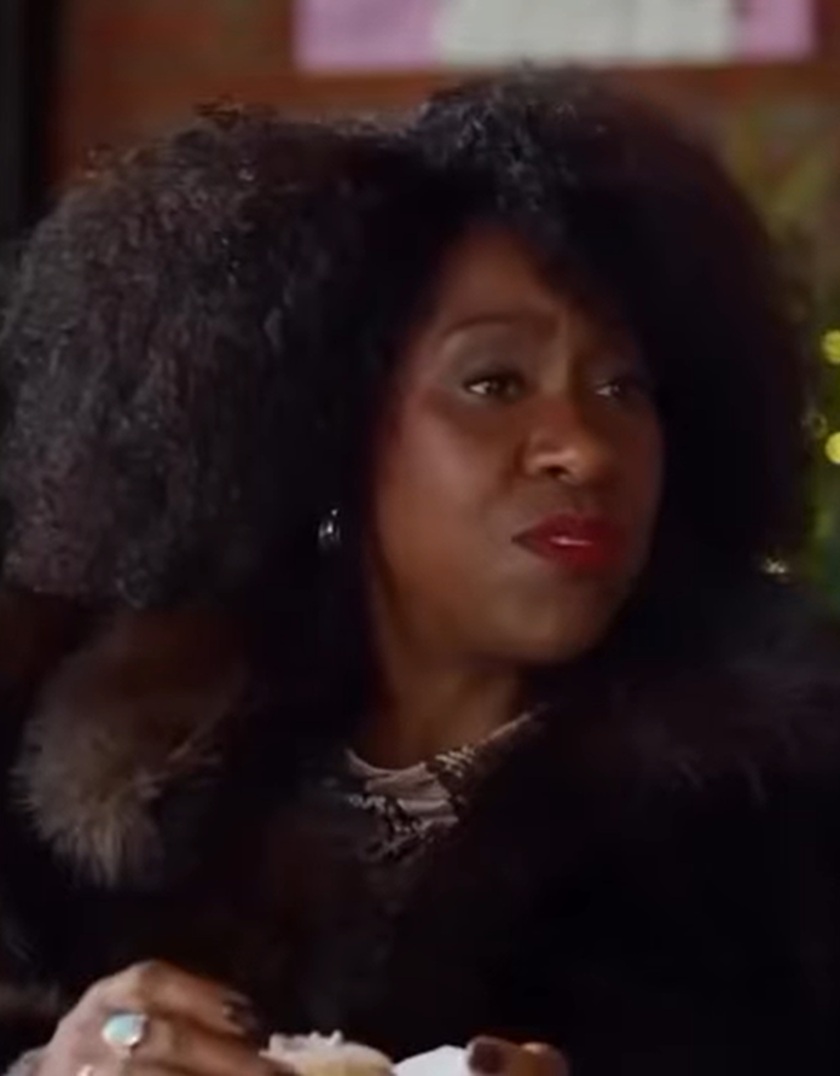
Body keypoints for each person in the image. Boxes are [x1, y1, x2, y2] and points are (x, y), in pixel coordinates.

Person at [1, 69, 840, 1076]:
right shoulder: (97, 792)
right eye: (495, 382)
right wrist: (56, 1065)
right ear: (332, 431)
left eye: (625, 387)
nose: (584, 448)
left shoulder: (784, 814)